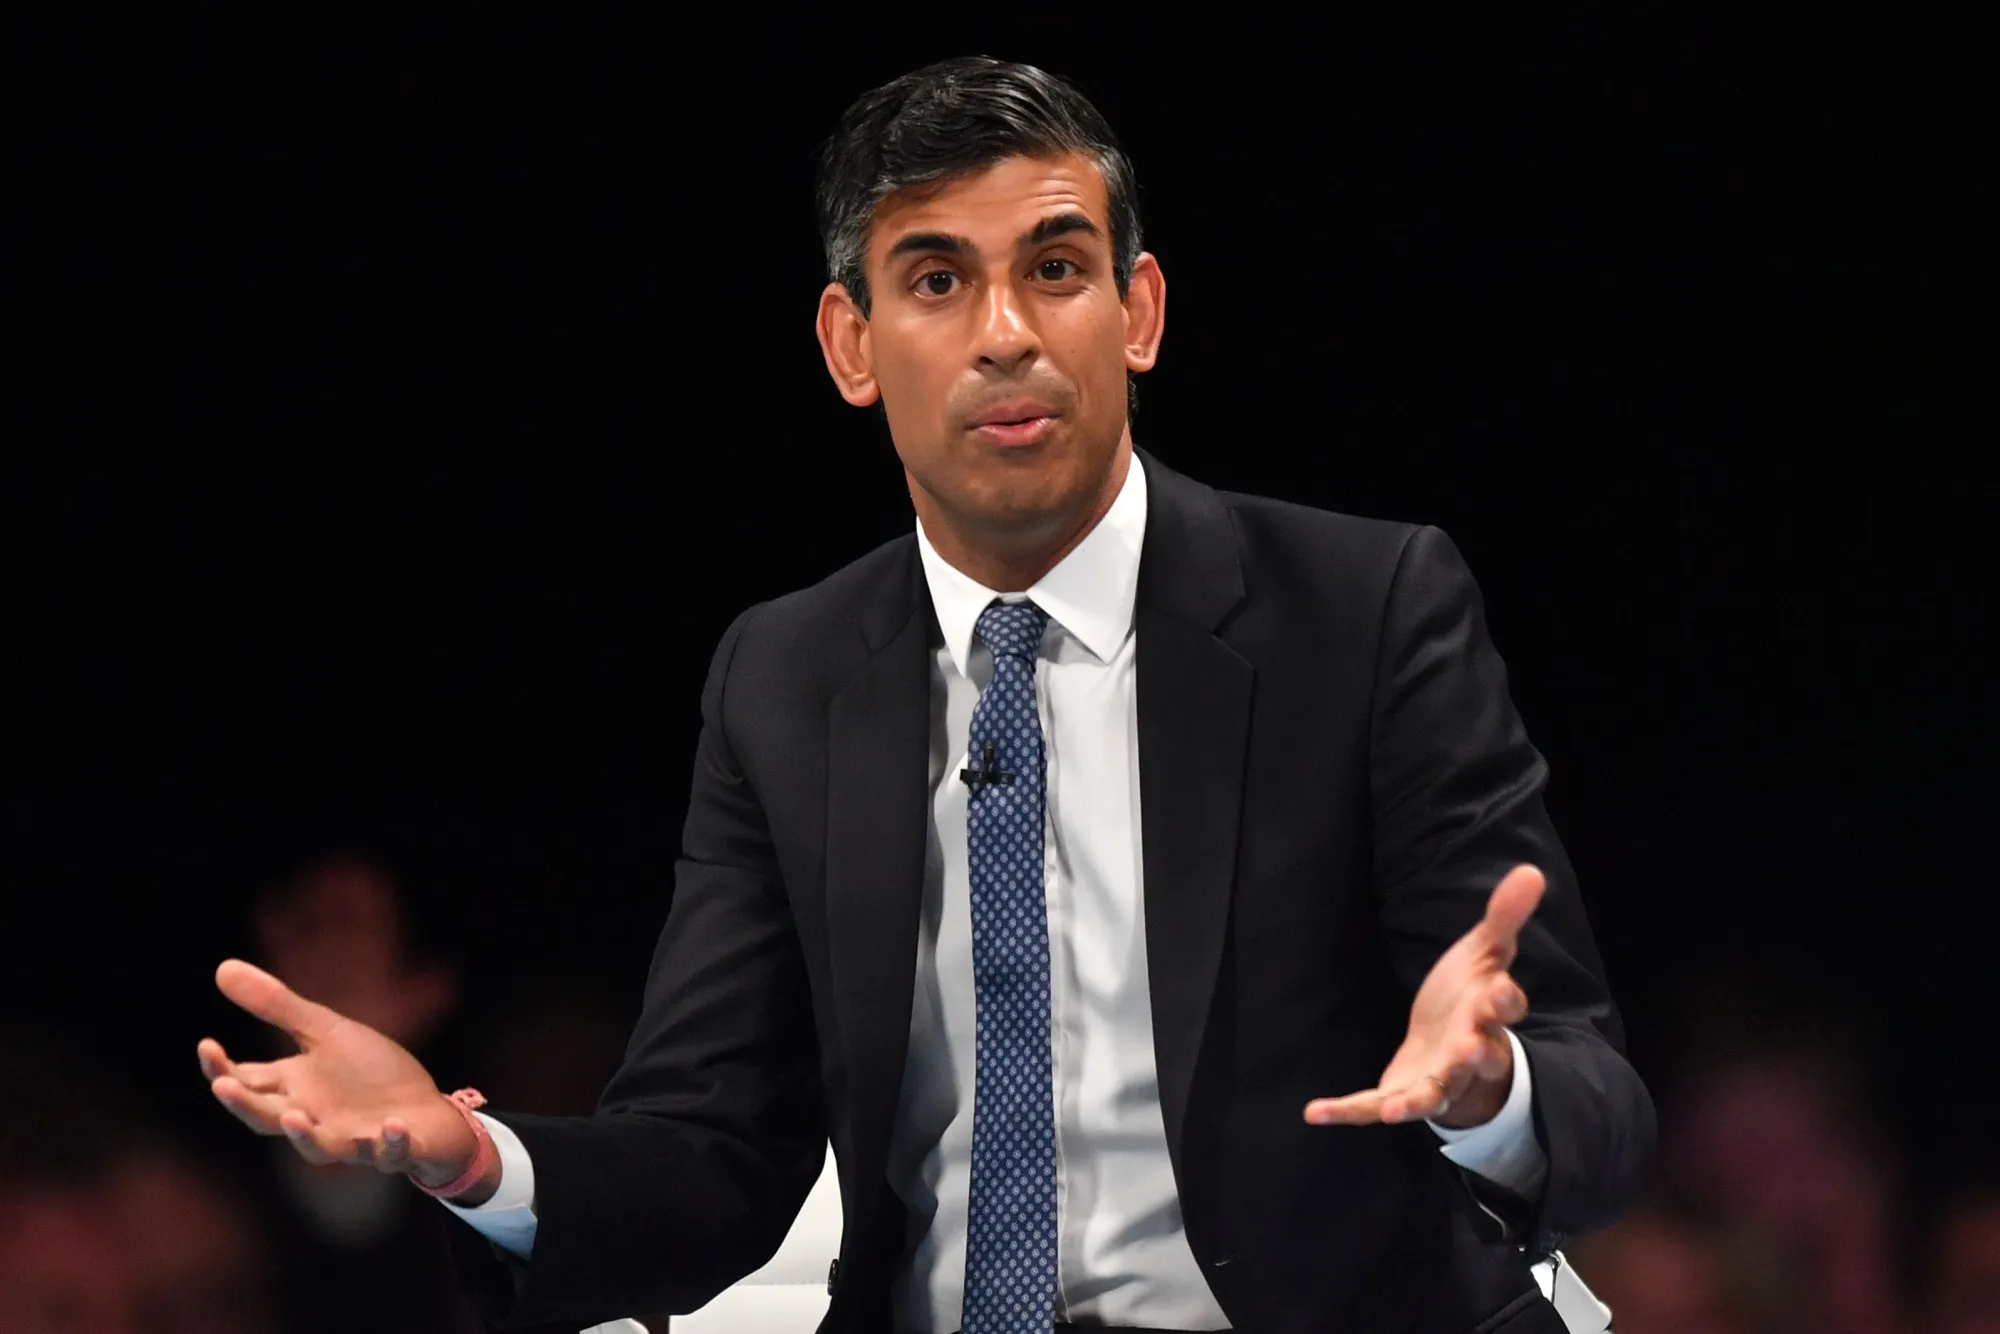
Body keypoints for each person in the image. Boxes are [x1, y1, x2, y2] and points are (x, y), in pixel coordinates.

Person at [197, 56, 1654, 1332]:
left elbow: (1596, 1096)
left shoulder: (1365, 608)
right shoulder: (786, 677)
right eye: (939, 280)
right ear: (851, 343)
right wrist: (475, 1159)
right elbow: (715, 1153)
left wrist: (1492, 1089)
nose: (1005, 332)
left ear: (1138, 312)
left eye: (1057, 267)